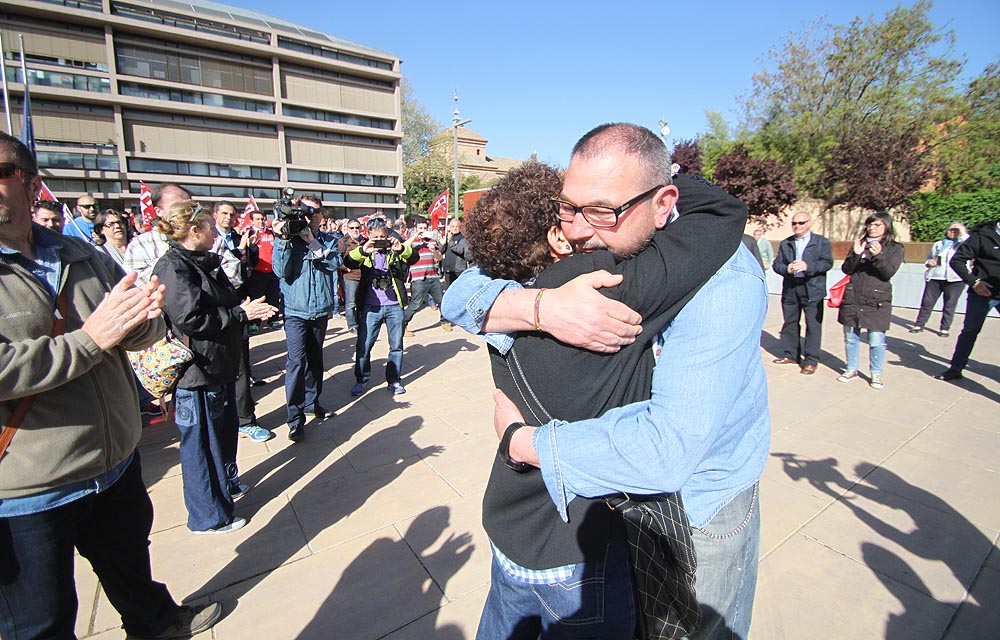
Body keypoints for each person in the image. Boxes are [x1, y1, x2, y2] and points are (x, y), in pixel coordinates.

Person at [443, 123, 769, 639]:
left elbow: (667, 451)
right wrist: (540, 307)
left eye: (600, 211)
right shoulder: (584, 270)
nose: (576, 230)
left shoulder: (720, 279)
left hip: (697, 508)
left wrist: (522, 442)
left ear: (663, 204)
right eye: (568, 208)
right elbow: (462, 291)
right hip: (605, 514)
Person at [0, 132, 223, 639]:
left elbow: (137, 329)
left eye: (0, 172)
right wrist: (90, 339)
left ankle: (158, 623)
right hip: (29, 490)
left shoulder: (80, 254)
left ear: (32, 185)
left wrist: (144, 318)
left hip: (114, 465)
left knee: (132, 574)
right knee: (39, 622)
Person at [152, 200, 276, 533]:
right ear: (195, 230)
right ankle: (208, 516)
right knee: (202, 447)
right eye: (210, 226)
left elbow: (223, 301)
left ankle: (226, 486)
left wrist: (244, 309)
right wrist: (239, 314)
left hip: (219, 365)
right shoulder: (174, 268)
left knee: (222, 436)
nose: (216, 233)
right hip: (197, 373)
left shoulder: (202, 261)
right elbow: (190, 319)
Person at [272, 196, 341, 442]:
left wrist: (312, 242)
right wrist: (283, 240)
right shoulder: (287, 239)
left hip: (320, 310)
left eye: (316, 211)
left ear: (322, 215)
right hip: (295, 311)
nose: (311, 216)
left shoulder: (328, 240)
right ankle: (295, 418)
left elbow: (334, 264)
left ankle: (313, 403)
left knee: (315, 360)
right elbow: (280, 271)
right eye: (306, 211)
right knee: (296, 363)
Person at [212, 200, 274, 443]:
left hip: (240, 304)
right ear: (214, 215)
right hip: (213, 308)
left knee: (240, 364)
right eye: (223, 213)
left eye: (231, 214)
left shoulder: (241, 237)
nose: (228, 217)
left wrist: (249, 249)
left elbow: (248, 267)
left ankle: (245, 420)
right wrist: (238, 251)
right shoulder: (209, 240)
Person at [344, 217, 419, 397]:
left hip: (394, 306)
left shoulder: (395, 250)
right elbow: (349, 262)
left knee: (396, 346)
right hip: (371, 306)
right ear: (368, 235)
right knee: (364, 345)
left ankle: (394, 380)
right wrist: (364, 250)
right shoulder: (365, 251)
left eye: (382, 237)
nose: (380, 241)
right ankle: (361, 379)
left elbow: (414, 258)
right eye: (376, 237)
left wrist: (401, 248)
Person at [836, 212, 905, 389]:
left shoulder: (895, 248)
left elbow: (888, 272)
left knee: (876, 340)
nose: (872, 228)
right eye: (870, 225)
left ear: (886, 227)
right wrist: (856, 254)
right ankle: (851, 369)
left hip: (877, 300)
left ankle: (876, 373)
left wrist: (878, 255)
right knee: (851, 338)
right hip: (854, 297)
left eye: (877, 225)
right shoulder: (860, 243)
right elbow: (847, 269)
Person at [124, 183, 241, 288]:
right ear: (158, 211)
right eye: (177, 205)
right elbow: (137, 284)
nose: (186, 210)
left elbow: (234, 275)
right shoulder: (140, 245)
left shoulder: (211, 239)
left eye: (190, 205)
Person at [935, 218, 1000, 381]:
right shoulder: (983, 235)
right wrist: (974, 282)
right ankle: (955, 369)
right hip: (982, 293)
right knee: (970, 331)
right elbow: (957, 260)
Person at [772, 212, 834, 374]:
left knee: (813, 326)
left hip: (812, 289)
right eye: (794, 223)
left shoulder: (821, 242)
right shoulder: (786, 243)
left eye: (801, 223)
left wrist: (808, 266)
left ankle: (811, 360)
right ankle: (791, 354)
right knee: (790, 323)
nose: (797, 226)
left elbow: (827, 263)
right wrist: (786, 269)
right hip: (791, 288)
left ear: (809, 223)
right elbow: (777, 264)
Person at [910, 222, 969, 336]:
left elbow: (969, 241)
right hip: (935, 276)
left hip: (955, 279)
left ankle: (944, 328)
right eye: (951, 230)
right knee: (927, 302)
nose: (953, 232)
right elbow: (929, 258)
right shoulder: (939, 244)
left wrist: (962, 231)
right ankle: (919, 324)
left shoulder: (964, 244)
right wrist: (929, 262)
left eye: (956, 230)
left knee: (950, 304)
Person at [403, 217, 445, 336]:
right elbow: (403, 247)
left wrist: (434, 251)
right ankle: (402, 325)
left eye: (425, 228)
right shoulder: (412, 241)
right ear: (415, 228)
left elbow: (439, 258)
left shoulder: (431, 241)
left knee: (442, 301)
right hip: (418, 278)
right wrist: (416, 235)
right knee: (415, 304)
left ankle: (444, 321)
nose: (423, 230)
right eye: (420, 228)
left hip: (433, 276)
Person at [440, 217, 470, 331]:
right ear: (449, 227)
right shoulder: (448, 237)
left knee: (461, 295)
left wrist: (451, 242)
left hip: (459, 270)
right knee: (447, 294)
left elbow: (460, 250)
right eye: (453, 226)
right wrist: (443, 243)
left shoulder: (463, 238)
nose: (455, 228)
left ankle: (463, 316)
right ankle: (444, 319)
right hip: (448, 270)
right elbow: (441, 250)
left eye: (457, 226)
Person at [338, 218, 364, 333]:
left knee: (361, 301)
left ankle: (361, 322)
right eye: (352, 228)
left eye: (357, 227)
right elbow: (337, 259)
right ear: (348, 229)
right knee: (351, 302)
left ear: (361, 228)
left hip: (364, 276)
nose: (355, 230)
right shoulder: (342, 242)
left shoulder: (365, 241)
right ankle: (352, 325)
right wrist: (345, 268)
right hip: (350, 277)